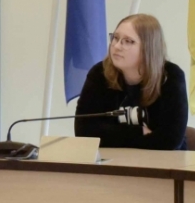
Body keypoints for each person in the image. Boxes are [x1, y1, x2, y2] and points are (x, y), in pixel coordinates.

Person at [74, 14, 189, 149]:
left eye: (128, 41)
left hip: (164, 160)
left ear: (148, 47)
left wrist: (112, 136)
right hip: (114, 159)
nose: (117, 46)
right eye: (116, 38)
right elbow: (84, 131)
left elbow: (170, 140)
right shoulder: (100, 73)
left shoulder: (170, 76)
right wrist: (139, 132)